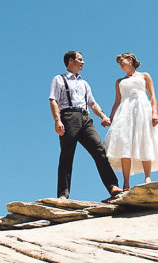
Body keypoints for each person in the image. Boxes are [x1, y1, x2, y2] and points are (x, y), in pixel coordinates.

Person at [49, 50, 123, 199]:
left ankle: (113, 186)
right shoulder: (59, 79)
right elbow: (53, 100)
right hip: (69, 117)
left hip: (85, 118)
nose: (83, 62)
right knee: (67, 155)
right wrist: (57, 120)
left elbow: (92, 103)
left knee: (99, 151)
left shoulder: (84, 83)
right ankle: (63, 195)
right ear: (71, 61)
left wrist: (103, 116)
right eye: (80, 59)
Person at [103, 52, 158, 190]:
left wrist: (154, 113)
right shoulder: (119, 82)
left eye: (122, 61)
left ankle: (147, 176)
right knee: (123, 143)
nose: (120, 64)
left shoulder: (145, 76)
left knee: (144, 139)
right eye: (118, 63)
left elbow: (152, 96)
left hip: (142, 110)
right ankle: (126, 183)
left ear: (130, 60)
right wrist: (110, 118)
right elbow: (116, 102)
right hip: (124, 112)